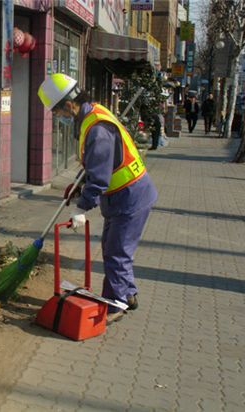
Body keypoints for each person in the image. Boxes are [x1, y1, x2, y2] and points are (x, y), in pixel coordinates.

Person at [37, 74, 158, 324]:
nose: (59, 116)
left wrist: (82, 207)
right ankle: (127, 293)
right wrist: (79, 185)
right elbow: (96, 165)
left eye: (58, 111)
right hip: (122, 196)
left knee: (116, 252)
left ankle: (116, 304)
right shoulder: (92, 116)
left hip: (130, 196)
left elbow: (100, 177)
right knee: (113, 248)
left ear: (69, 104)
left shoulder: (97, 129)